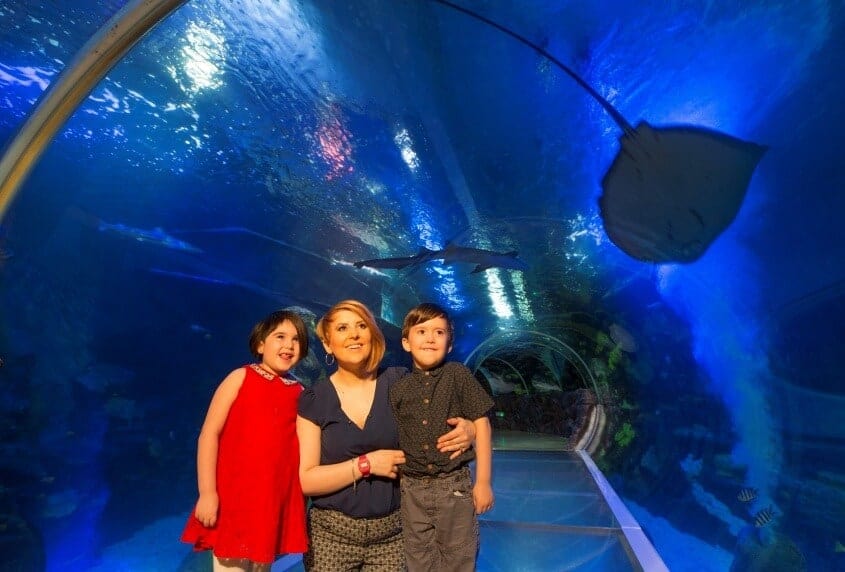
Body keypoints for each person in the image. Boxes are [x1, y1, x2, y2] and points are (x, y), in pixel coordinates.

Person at [296, 299, 476, 571]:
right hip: (330, 535)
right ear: (327, 343)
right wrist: (366, 464)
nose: (354, 334)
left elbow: (459, 412)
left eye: (361, 326)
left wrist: (469, 428)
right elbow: (306, 480)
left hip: (394, 533)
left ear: (372, 335)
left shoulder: (400, 382)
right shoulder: (314, 399)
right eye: (343, 328)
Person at [181, 310, 309, 572]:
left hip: (271, 505)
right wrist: (207, 493)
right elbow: (209, 434)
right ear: (260, 344)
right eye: (280, 336)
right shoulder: (240, 377)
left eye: (296, 339)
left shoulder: (300, 393)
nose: (288, 345)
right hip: (234, 501)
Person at [390, 302, 494, 572]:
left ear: (449, 345)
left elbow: (482, 424)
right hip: (411, 489)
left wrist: (482, 482)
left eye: (439, 332)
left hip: (454, 487)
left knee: (459, 558)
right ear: (406, 342)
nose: (430, 338)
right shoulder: (398, 388)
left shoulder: (457, 374)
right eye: (421, 331)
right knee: (418, 559)